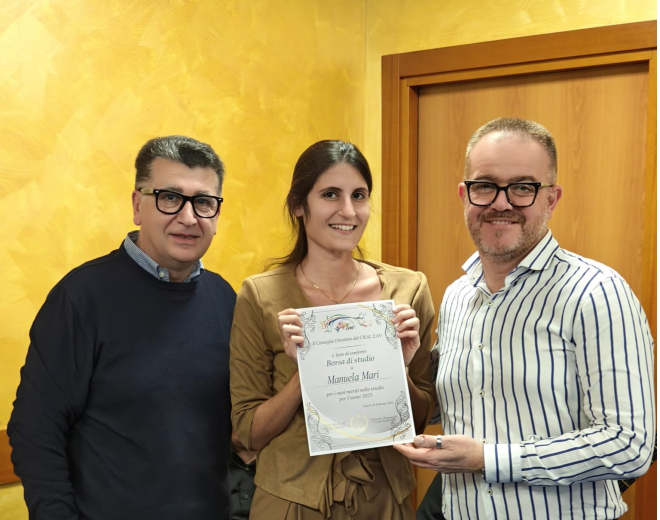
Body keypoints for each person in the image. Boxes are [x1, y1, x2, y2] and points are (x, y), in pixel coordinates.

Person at [394, 118, 655, 519]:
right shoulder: (458, 297)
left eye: (522, 187)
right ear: (464, 195)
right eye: (485, 186)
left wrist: (488, 459)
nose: (501, 203)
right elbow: (451, 406)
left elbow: (629, 445)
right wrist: (400, 365)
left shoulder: (597, 292)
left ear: (551, 199)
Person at [8, 135, 236, 519]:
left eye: (203, 202)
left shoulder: (225, 298)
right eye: (169, 197)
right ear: (136, 205)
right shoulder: (80, 298)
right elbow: (35, 429)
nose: (188, 217)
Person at [230, 140, 436, 519]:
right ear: (298, 206)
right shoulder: (260, 296)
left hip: (384, 498)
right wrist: (307, 371)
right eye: (330, 194)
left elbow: (422, 420)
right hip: (290, 500)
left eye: (359, 195)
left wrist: (398, 368)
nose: (349, 211)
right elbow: (249, 432)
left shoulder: (409, 290)